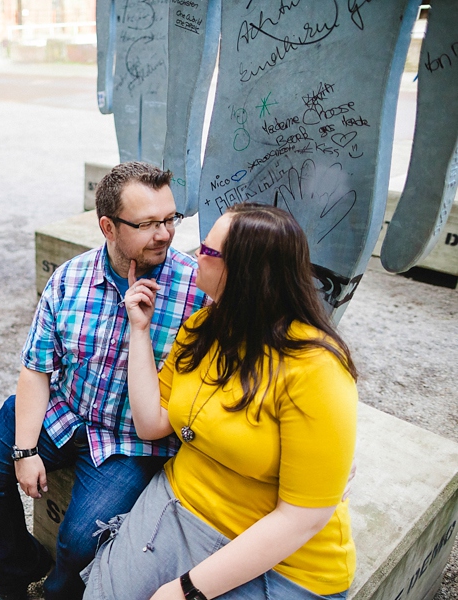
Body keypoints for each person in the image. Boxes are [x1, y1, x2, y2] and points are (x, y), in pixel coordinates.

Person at [82, 203, 357, 600]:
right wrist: (138, 329)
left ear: (242, 272)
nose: (194, 256)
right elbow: (152, 423)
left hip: (284, 560)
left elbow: (303, 518)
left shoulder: (317, 367)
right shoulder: (202, 326)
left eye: (206, 252)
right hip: (180, 505)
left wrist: (188, 589)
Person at [0, 162, 207, 600]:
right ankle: (17, 574)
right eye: (148, 223)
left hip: (130, 439)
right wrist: (25, 449)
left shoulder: (195, 290)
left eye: (170, 219)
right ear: (108, 226)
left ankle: (57, 591)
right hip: (66, 409)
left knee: (78, 542)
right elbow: (37, 367)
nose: (165, 234)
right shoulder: (70, 279)